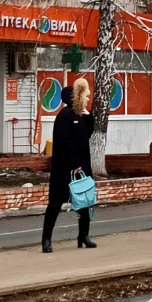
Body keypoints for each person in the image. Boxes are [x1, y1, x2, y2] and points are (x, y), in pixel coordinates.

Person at [42, 78, 94, 252]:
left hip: (82, 166)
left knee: (85, 201)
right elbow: (65, 141)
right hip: (64, 168)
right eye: (83, 96)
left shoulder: (80, 114)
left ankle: (84, 235)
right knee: (55, 203)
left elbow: (88, 134)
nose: (87, 98)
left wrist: (88, 114)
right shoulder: (64, 116)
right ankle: (46, 239)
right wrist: (75, 164)